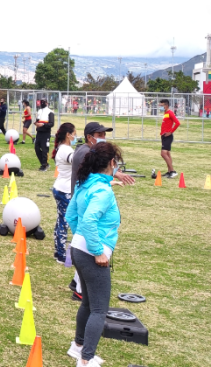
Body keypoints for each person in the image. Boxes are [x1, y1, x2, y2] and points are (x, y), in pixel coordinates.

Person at [65, 141, 124, 367]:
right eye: (117, 163)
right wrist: (98, 251)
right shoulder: (103, 190)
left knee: (88, 304)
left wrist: (81, 237)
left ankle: (78, 347)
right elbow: (87, 219)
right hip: (90, 252)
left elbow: (72, 216)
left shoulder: (85, 184)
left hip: (79, 248)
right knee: (99, 309)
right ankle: (86, 359)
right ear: (111, 163)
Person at [51, 122, 77, 264]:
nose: (75, 136)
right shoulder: (66, 151)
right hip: (65, 190)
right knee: (64, 222)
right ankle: (61, 254)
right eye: (74, 133)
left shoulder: (63, 148)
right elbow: (78, 162)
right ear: (68, 135)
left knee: (61, 221)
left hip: (62, 188)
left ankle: (58, 251)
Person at [159, 98, 180, 178]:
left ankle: (172, 171)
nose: (160, 107)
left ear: (166, 105)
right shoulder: (165, 113)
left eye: (161, 105)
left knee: (163, 153)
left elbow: (177, 123)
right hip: (164, 136)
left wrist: (171, 132)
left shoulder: (170, 113)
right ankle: (169, 172)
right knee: (167, 153)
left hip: (168, 136)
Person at [34, 99, 55, 171]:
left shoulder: (50, 112)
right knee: (36, 148)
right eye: (41, 102)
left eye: (43, 102)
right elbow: (37, 120)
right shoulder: (39, 111)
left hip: (46, 133)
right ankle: (44, 163)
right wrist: (36, 123)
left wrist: (43, 124)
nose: (42, 103)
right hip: (39, 132)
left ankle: (44, 165)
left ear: (47, 103)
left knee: (44, 149)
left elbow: (51, 124)